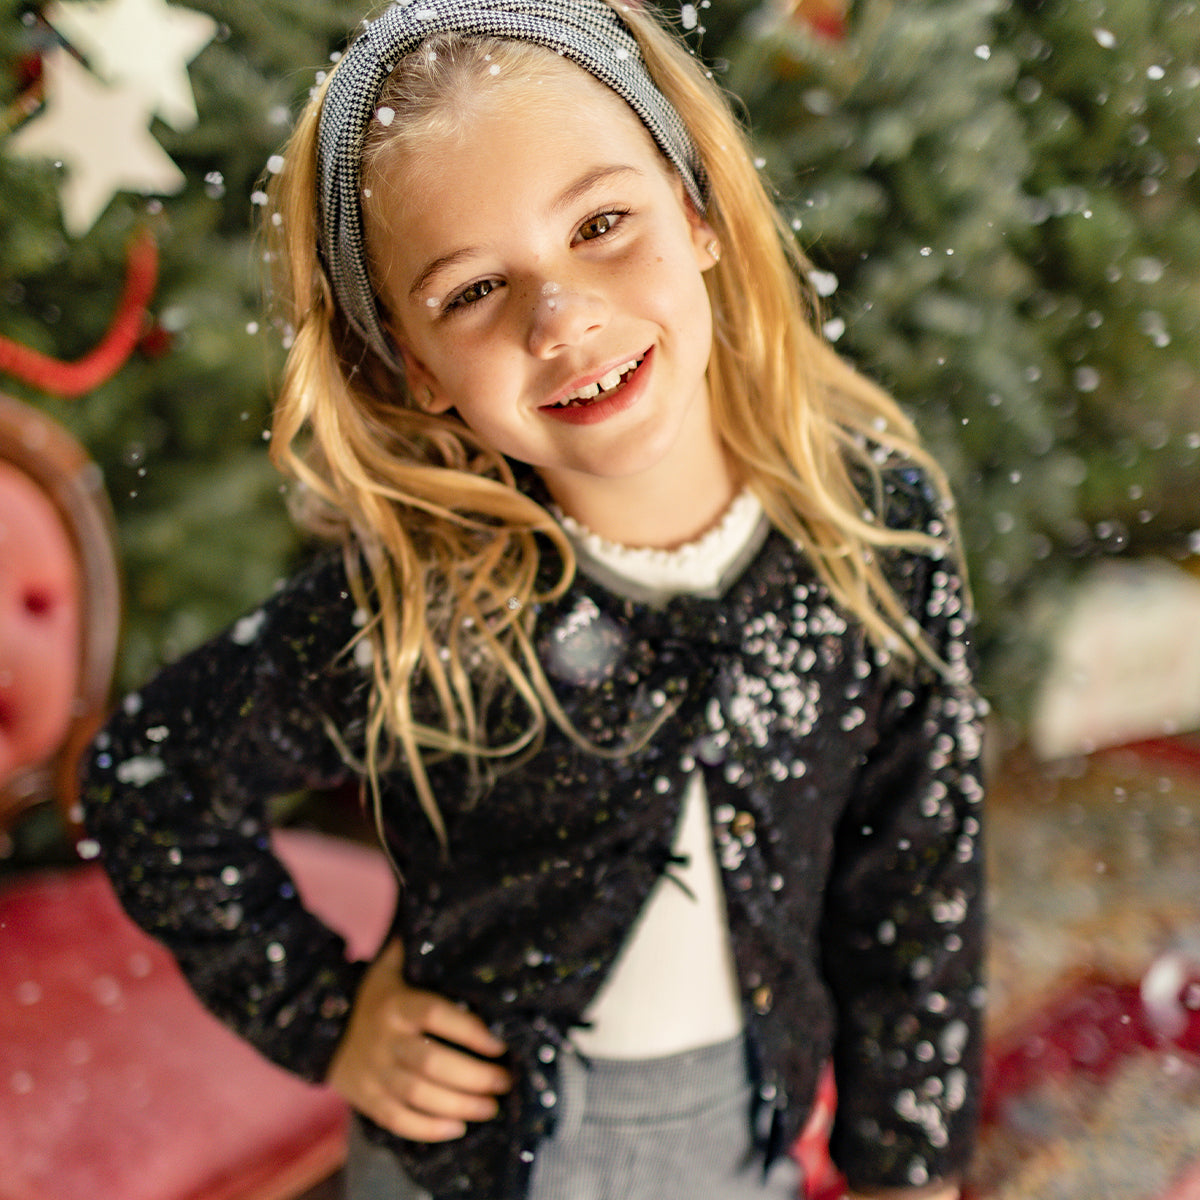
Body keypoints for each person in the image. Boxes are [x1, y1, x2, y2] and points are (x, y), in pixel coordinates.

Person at [81, 2, 986, 1198]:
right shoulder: (424, 604)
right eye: (470, 292)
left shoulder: (876, 531)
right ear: (414, 362)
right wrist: (325, 1015)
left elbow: (918, 874)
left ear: (697, 208)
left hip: (735, 1142)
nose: (560, 321)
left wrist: (905, 1168)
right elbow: (152, 774)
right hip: (469, 1166)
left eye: (604, 224)